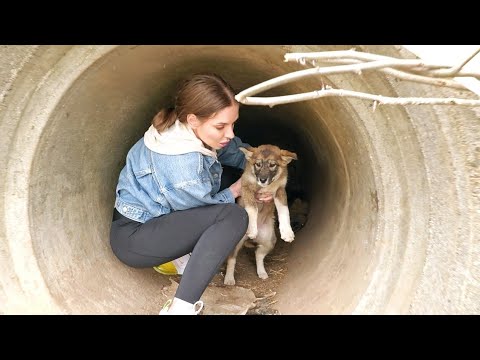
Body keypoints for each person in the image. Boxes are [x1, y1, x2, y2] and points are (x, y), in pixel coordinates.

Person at [109, 73, 271, 315]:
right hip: (135, 239)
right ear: (193, 119)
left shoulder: (188, 132)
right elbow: (203, 210)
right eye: (221, 126)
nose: (229, 133)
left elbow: (237, 156)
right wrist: (240, 189)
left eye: (233, 124)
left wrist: (260, 177)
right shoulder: (182, 161)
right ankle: (180, 308)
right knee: (233, 217)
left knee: (227, 176)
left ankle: (184, 257)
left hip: (158, 218)